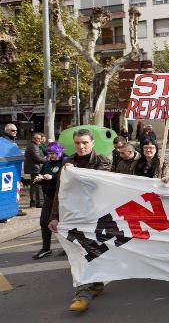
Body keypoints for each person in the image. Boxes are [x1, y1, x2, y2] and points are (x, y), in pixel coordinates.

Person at [48, 128, 111, 313]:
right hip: (73, 217)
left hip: (95, 217)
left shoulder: (103, 161)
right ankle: (83, 293)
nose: (81, 146)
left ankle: (96, 284)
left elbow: (97, 186)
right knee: (79, 253)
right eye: (77, 143)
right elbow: (61, 193)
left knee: (92, 251)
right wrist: (54, 217)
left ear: (92, 143)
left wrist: (75, 174)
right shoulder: (68, 162)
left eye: (85, 142)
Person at [31, 142, 67, 259]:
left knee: (63, 224)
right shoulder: (47, 163)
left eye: (54, 153)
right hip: (50, 197)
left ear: (60, 152)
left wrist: (53, 177)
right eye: (49, 153)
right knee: (44, 221)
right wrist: (39, 179)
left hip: (63, 198)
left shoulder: (66, 161)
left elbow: (68, 178)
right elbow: (43, 175)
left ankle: (68, 248)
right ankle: (46, 249)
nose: (51, 156)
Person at [24, 132, 46, 208]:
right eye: (36, 138)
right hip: (35, 168)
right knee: (38, 185)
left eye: (39, 138)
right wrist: (47, 161)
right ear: (33, 139)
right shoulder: (33, 146)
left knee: (34, 185)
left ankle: (33, 202)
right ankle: (39, 203)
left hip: (34, 168)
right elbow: (37, 158)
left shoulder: (34, 145)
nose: (38, 140)